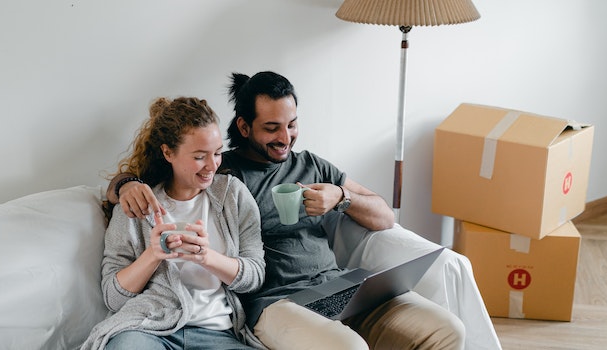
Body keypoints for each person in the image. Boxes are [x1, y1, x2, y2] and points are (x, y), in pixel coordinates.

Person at [109, 72, 502, 350]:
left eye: (292, 124)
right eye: (271, 128)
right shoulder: (224, 174)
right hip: (277, 302)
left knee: (446, 330)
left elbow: (385, 218)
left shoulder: (313, 165)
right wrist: (126, 183)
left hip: (341, 286)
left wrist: (341, 198)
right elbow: (153, 180)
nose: (285, 138)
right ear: (244, 128)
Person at [82, 97, 267, 350]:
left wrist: (206, 257)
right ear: (168, 152)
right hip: (147, 329)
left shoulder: (232, 196)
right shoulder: (136, 203)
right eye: (200, 156)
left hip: (216, 333)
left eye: (217, 153)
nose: (212, 165)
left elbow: (255, 276)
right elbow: (113, 298)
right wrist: (154, 254)